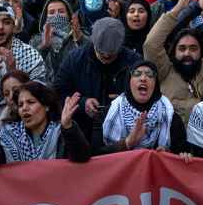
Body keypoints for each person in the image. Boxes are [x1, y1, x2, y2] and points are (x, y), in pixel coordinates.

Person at [54, 16, 142, 145]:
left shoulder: (133, 62)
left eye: (111, 54)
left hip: (122, 133)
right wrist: (83, 103)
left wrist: (122, 103)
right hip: (83, 131)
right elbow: (59, 91)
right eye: (101, 53)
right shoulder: (75, 60)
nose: (106, 56)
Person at [0, 82, 90, 163]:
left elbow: (81, 158)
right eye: (20, 105)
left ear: (46, 106)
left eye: (30, 102)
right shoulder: (8, 134)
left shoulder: (60, 133)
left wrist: (68, 127)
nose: (24, 108)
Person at [101, 60, 186, 153]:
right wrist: (127, 142)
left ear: (155, 85)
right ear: (129, 81)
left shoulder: (170, 116)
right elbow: (96, 155)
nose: (143, 78)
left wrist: (168, 153)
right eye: (137, 74)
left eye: (149, 75)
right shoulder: (110, 111)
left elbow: (182, 153)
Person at [31, 0, 84, 83]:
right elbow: (32, 68)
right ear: (46, 17)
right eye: (51, 12)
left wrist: (80, 40)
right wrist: (44, 47)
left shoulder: (79, 36)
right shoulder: (36, 41)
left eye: (61, 11)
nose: (56, 15)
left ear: (69, 15)